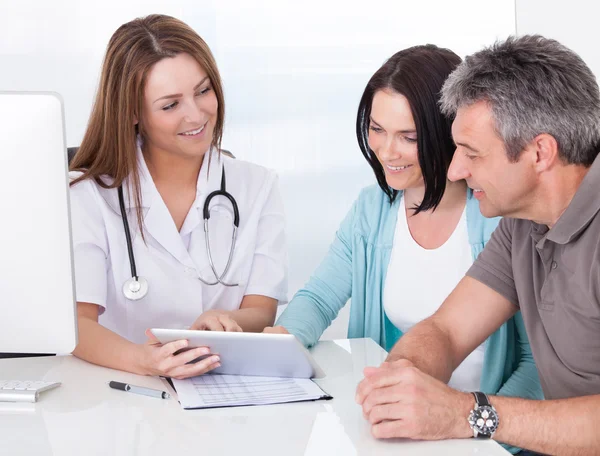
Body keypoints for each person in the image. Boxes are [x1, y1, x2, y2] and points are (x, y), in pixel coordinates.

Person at [265, 45, 541, 453]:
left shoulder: (500, 217)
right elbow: (320, 298)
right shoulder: (373, 211)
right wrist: (278, 345)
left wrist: (481, 438)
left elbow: (535, 366)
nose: (386, 151)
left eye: (408, 137)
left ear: (451, 132)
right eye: (377, 129)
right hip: (400, 436)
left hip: (486, 437)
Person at [356, 35, 600, 456]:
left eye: (471, 153)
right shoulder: (521, 223)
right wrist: (400, 379)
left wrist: (467, 414)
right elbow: (447, 330)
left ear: (540, 152)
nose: (453, 170)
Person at [69, 14, 287, 379]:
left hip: (223, 391)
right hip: (119, 393)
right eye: (170, 105)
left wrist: (225, 320)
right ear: (133, 112)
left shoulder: (257, 185)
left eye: (203, 91)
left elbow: (261, 310)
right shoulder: (87, 194)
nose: (197, 114)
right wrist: (145, 361)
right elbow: (77, 324)